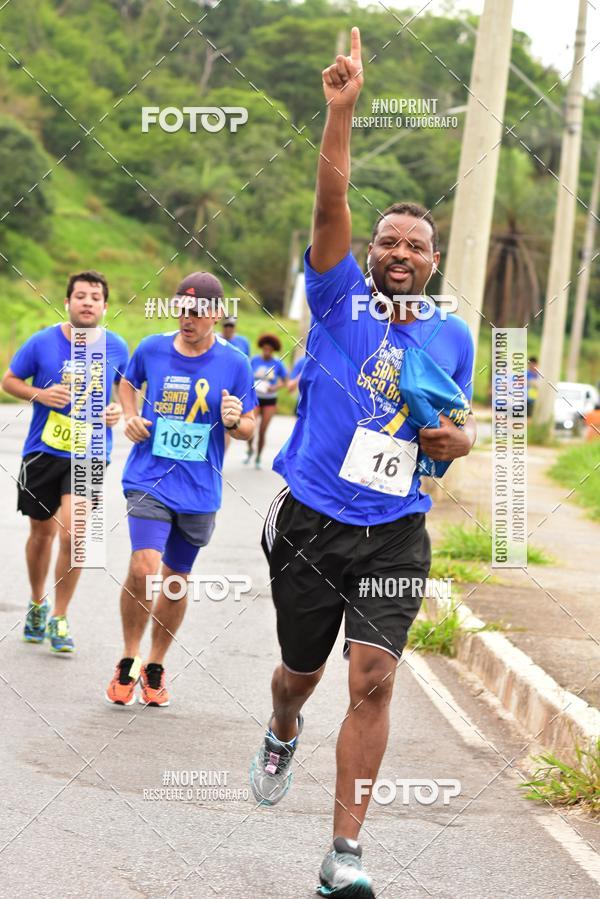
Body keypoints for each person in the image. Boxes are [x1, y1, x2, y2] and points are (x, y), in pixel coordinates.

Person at [249, 28, 476, 899]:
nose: (399, 253)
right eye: (388, 241)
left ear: (433, 261)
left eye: (415, 246)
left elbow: (453, 428)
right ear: (370, 251)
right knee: (300, 673)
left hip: (394, 529)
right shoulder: (339, 296)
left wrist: (458, 444)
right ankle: (282, 725)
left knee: (373, 679)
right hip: (312, 519)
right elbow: (329, 203)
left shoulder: (452, 336)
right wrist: (340, 113)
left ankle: (343, 850)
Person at [105, 272, 256, 708]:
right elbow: (127, 381)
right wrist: (131, 415)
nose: (187, 319)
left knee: (175, 581)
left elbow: (248, 426)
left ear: (216, 314)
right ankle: (129, 658)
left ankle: (155, 664)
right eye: (181, 310)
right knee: (144, 568)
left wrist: (233, 422)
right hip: (149, 477)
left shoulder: (235, 363)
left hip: (199, 489)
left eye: (197, 312)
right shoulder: (152, 348)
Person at [1, 271, 128, 652]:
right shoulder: (42, 342)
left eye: (95, 297)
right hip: (43, 452)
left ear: (105, 306)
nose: (88, 302)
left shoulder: (117, 347)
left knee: (75, 535)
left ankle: (60, 615)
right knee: (41, 533)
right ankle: (37, 601)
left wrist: (119, 411)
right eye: (81, 296)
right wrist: (39, 394)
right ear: (68, 302)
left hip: (90, 452)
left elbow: (127, 391)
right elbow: (9, 380)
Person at [246, 334, 288, 469]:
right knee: (251, 427)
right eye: (265, 349)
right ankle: (250, 449)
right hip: (256, 398)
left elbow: (285, 381)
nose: (267, 352)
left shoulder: (278, 363)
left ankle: (258, 456)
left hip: (270, 399)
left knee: (262, 430)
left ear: (273, 350)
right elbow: (246, 376)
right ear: (261, 348)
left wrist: (275, 387)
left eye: (270, 350)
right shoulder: (254, 360)